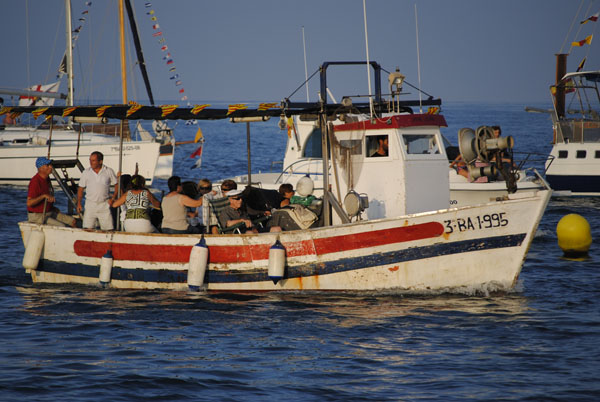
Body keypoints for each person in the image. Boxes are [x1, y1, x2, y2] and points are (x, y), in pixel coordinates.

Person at [26, 157, 77, 227]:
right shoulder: (35, 182)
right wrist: (43, 196)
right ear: (41, 168)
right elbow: (29, 203)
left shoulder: (47, 179)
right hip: (37, 216)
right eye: (48, 165)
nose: (51, 167)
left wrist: (52, 208)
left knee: (73, 221)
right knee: (61, 226)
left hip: (49, 212)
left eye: (50, 165)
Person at [77, 151, 118, 230]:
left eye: (93, 160)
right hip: (90, 205)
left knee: (108, 230)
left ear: (100, 161)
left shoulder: (109, 171)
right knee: (87, 229)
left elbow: (117, 185)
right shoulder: (86, 172)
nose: (90, 163)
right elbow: (80, 189)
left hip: (104, 205)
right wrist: (79, 203)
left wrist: (113, 198)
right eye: (90, 160)